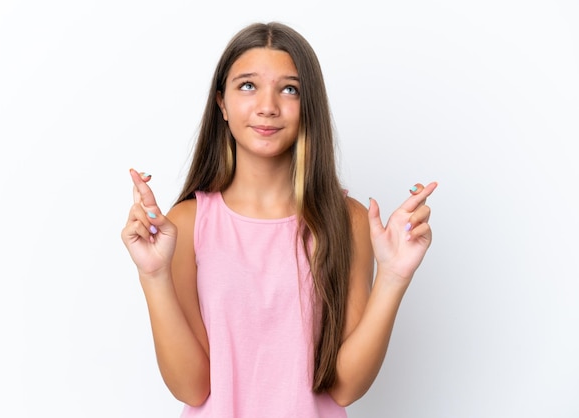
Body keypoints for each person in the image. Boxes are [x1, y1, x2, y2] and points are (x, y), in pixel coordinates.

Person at [121, 21, 437, 417]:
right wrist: (153, 275)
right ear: (221, 103)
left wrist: (393, 277)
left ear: (309, 106)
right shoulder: (186, 223)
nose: (267, 106)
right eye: (248, 86)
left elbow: (344, 388)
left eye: (289, 89)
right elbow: (192, 386)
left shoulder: (347, 221)